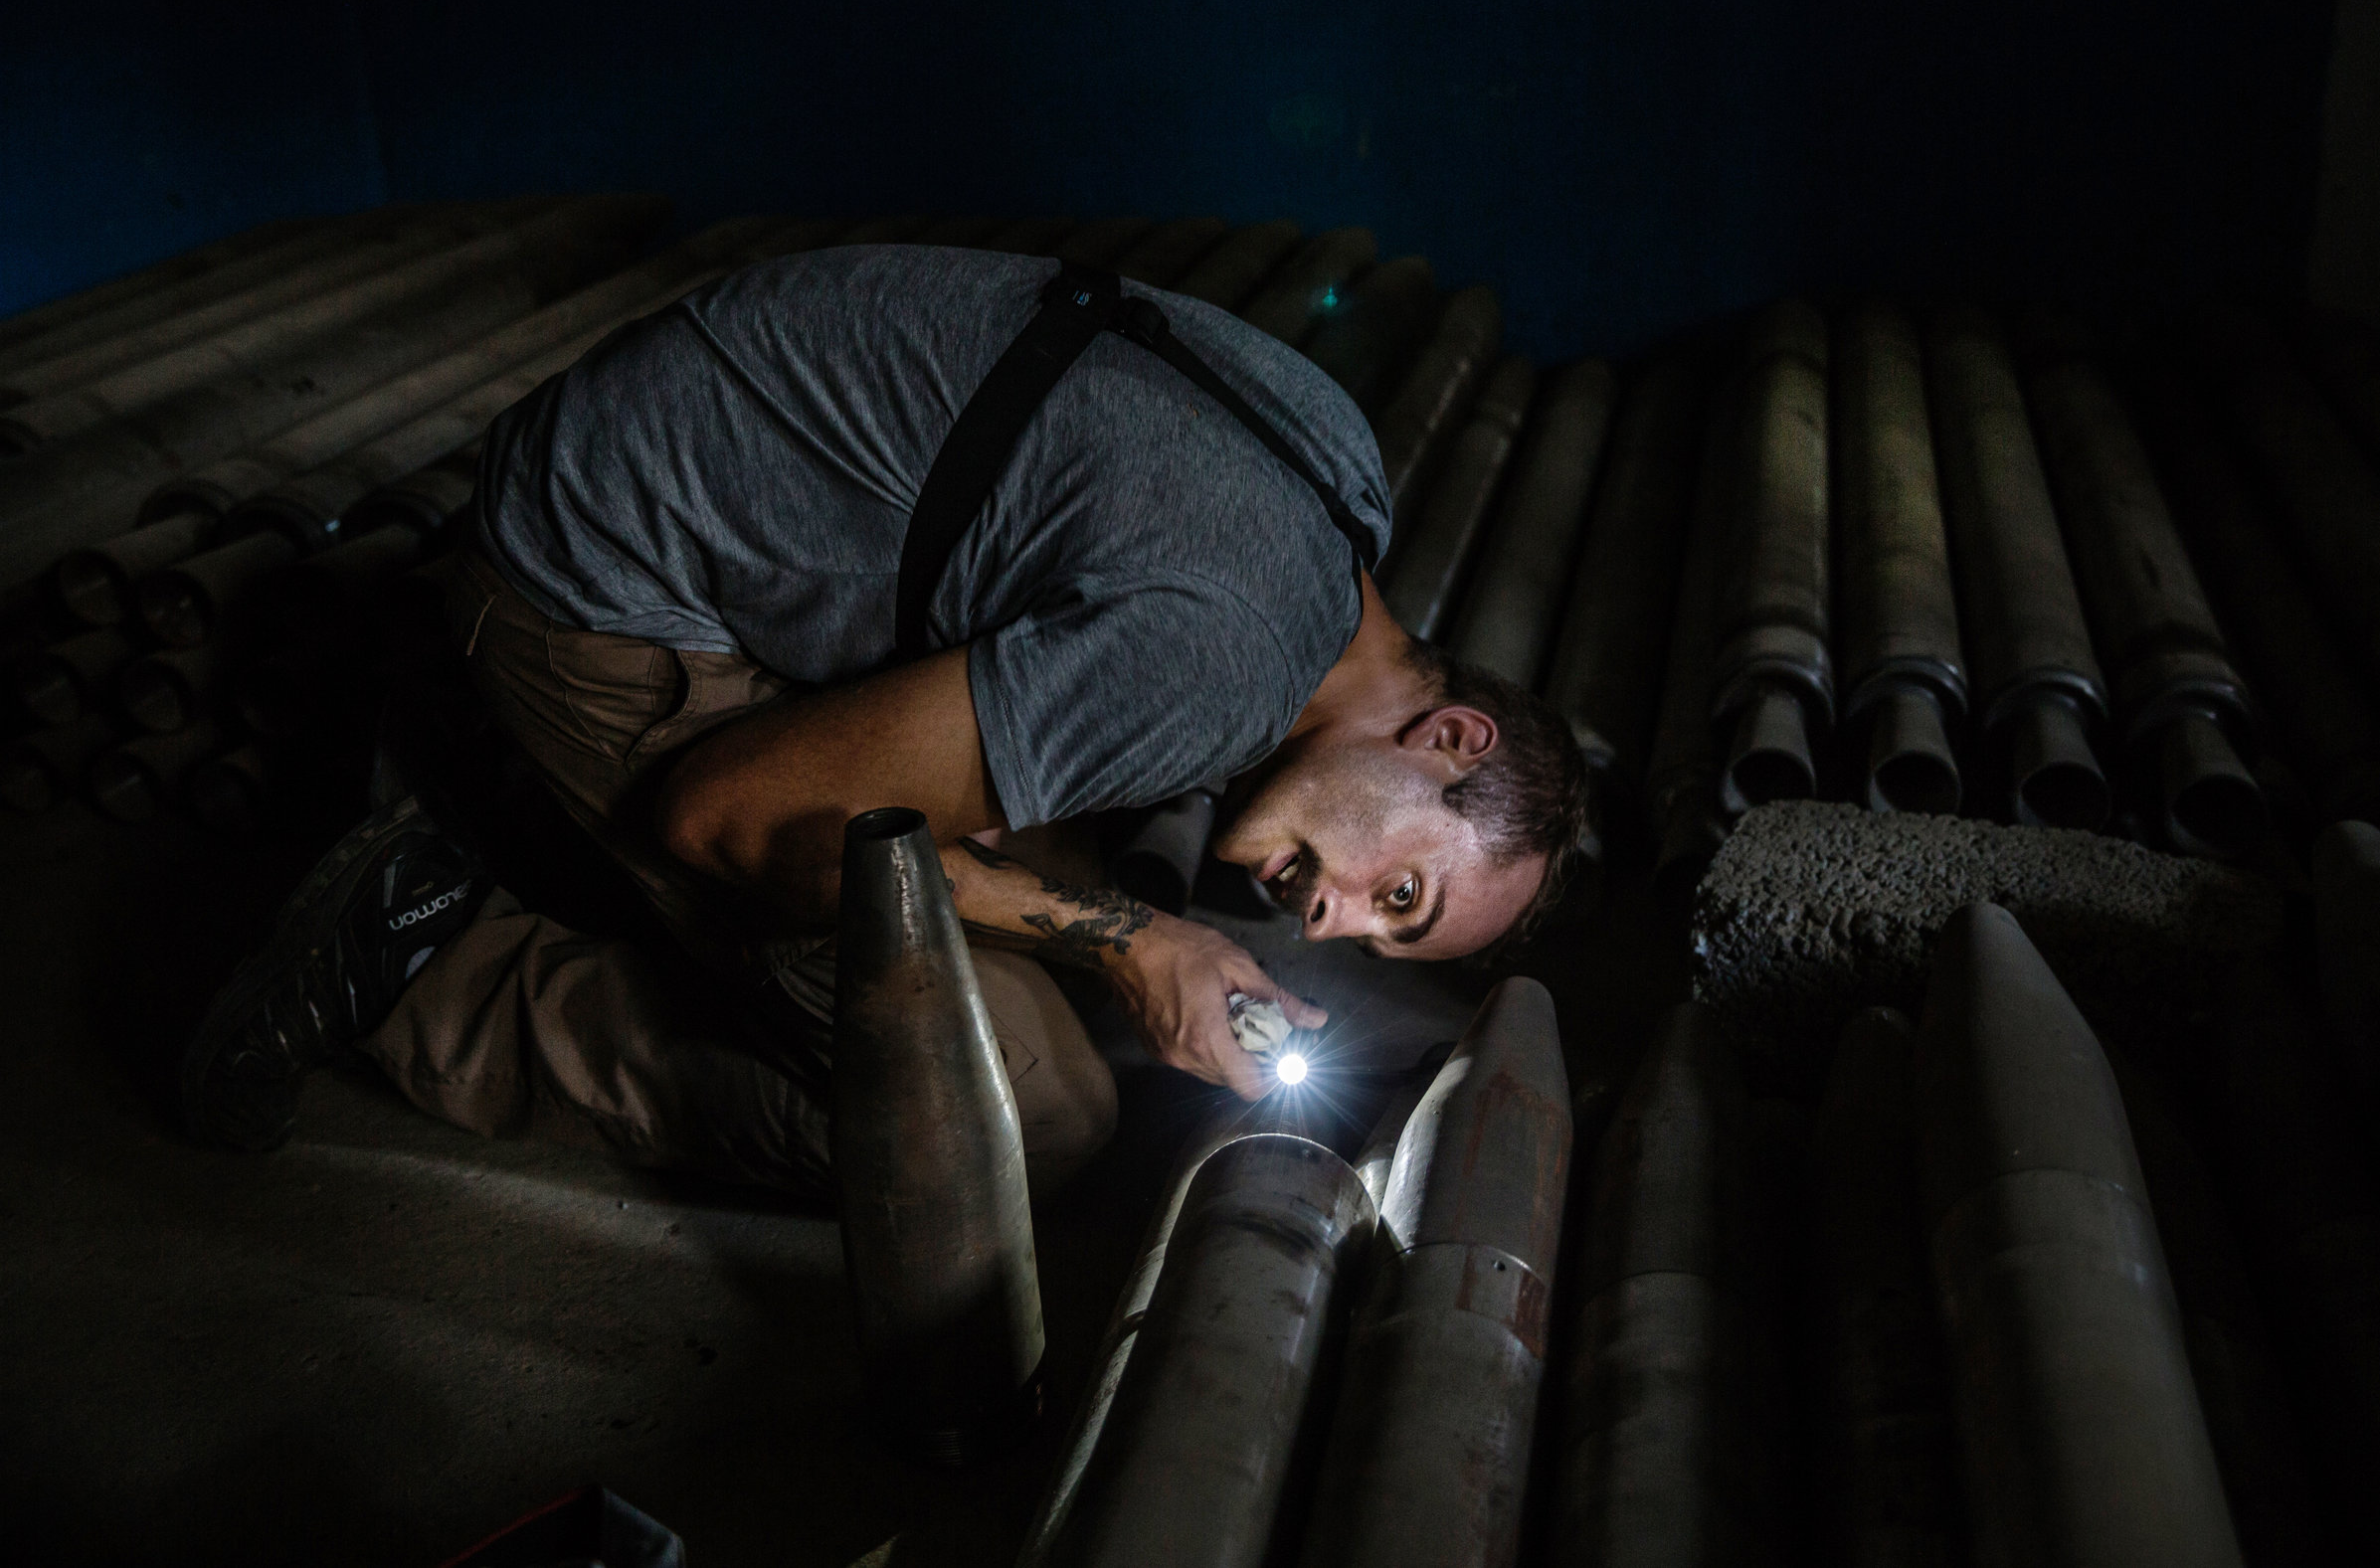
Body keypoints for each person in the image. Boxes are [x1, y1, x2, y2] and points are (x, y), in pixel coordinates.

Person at [181, 243, 1588, 1199]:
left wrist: (1100, 928)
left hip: (697, 472)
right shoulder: (1216, 664)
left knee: (1053, 893)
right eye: (1397, 891)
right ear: (1449, 740)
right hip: (589, 584)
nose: (1334, 925)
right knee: (1012, 1113)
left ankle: (505, 789)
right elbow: (728, 814)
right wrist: (1132, 942)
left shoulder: (1340, 500)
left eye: (1387, 930)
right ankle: (425, 965)